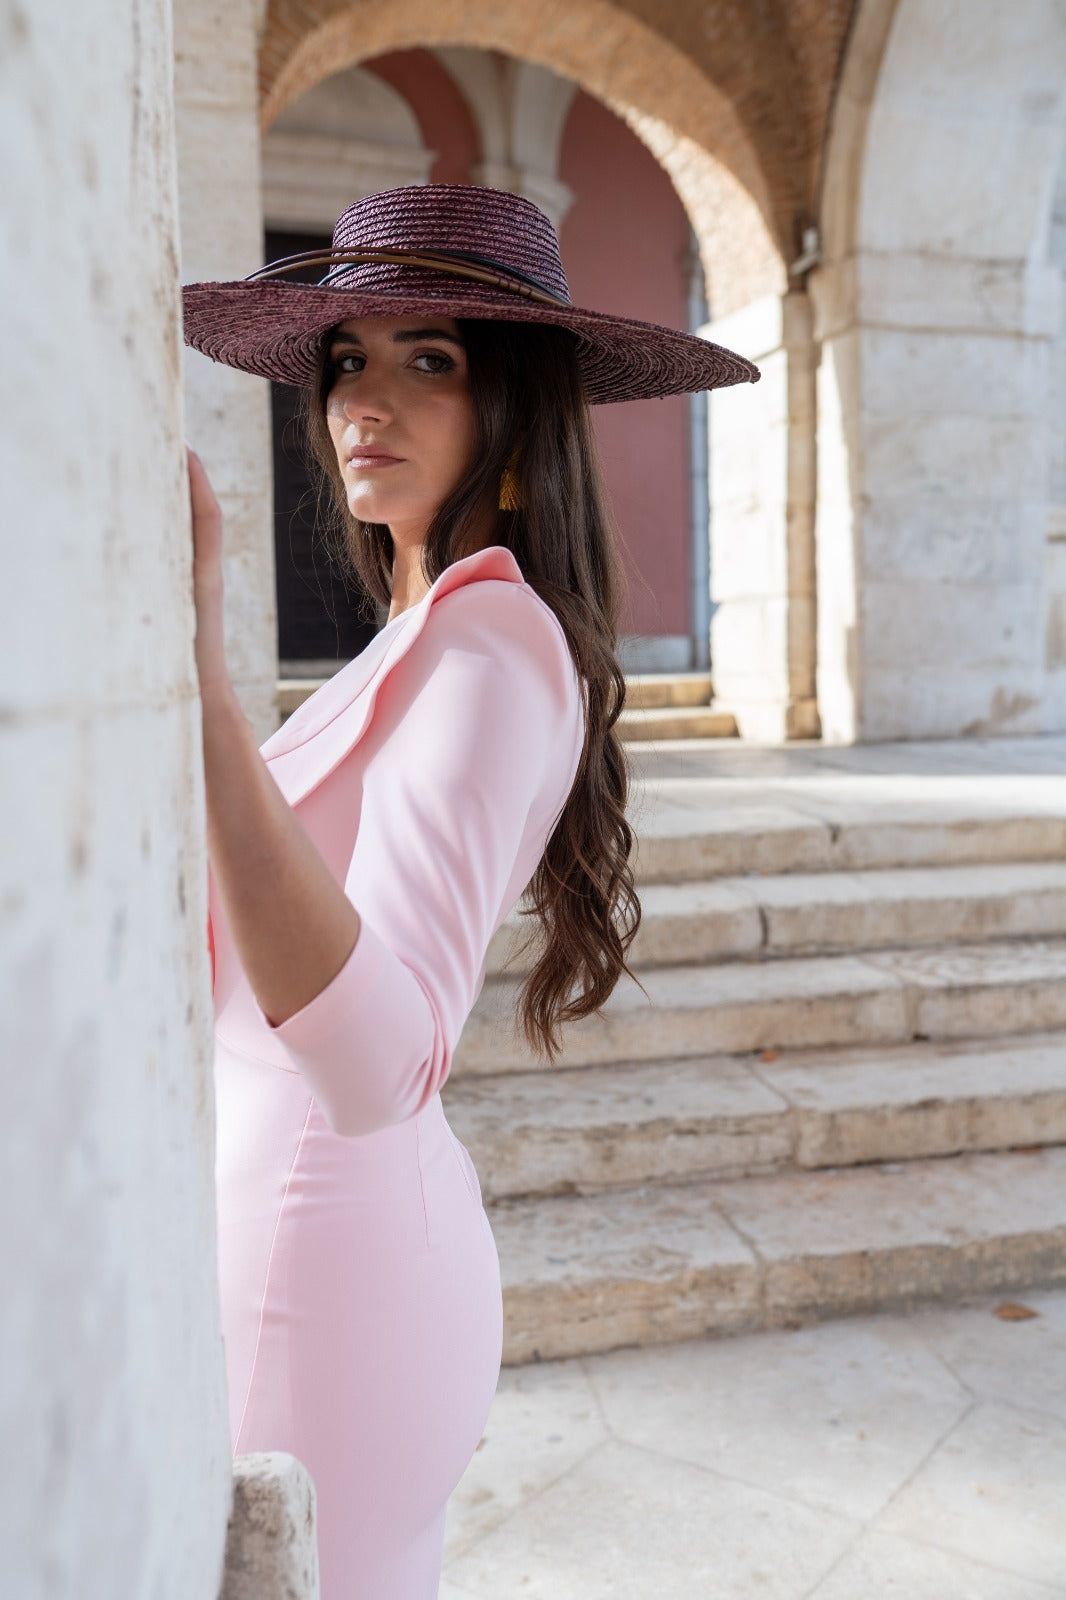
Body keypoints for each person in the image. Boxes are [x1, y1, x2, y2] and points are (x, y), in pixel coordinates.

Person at [181, 182, 758, 1599]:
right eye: (347, 359)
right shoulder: (426, 629)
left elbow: (381, 1064)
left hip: (317, 1273)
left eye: (427, 358)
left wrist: (201, 693)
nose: (363, 401)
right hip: (298, 1240)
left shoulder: (490, 649)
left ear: (515, 403)